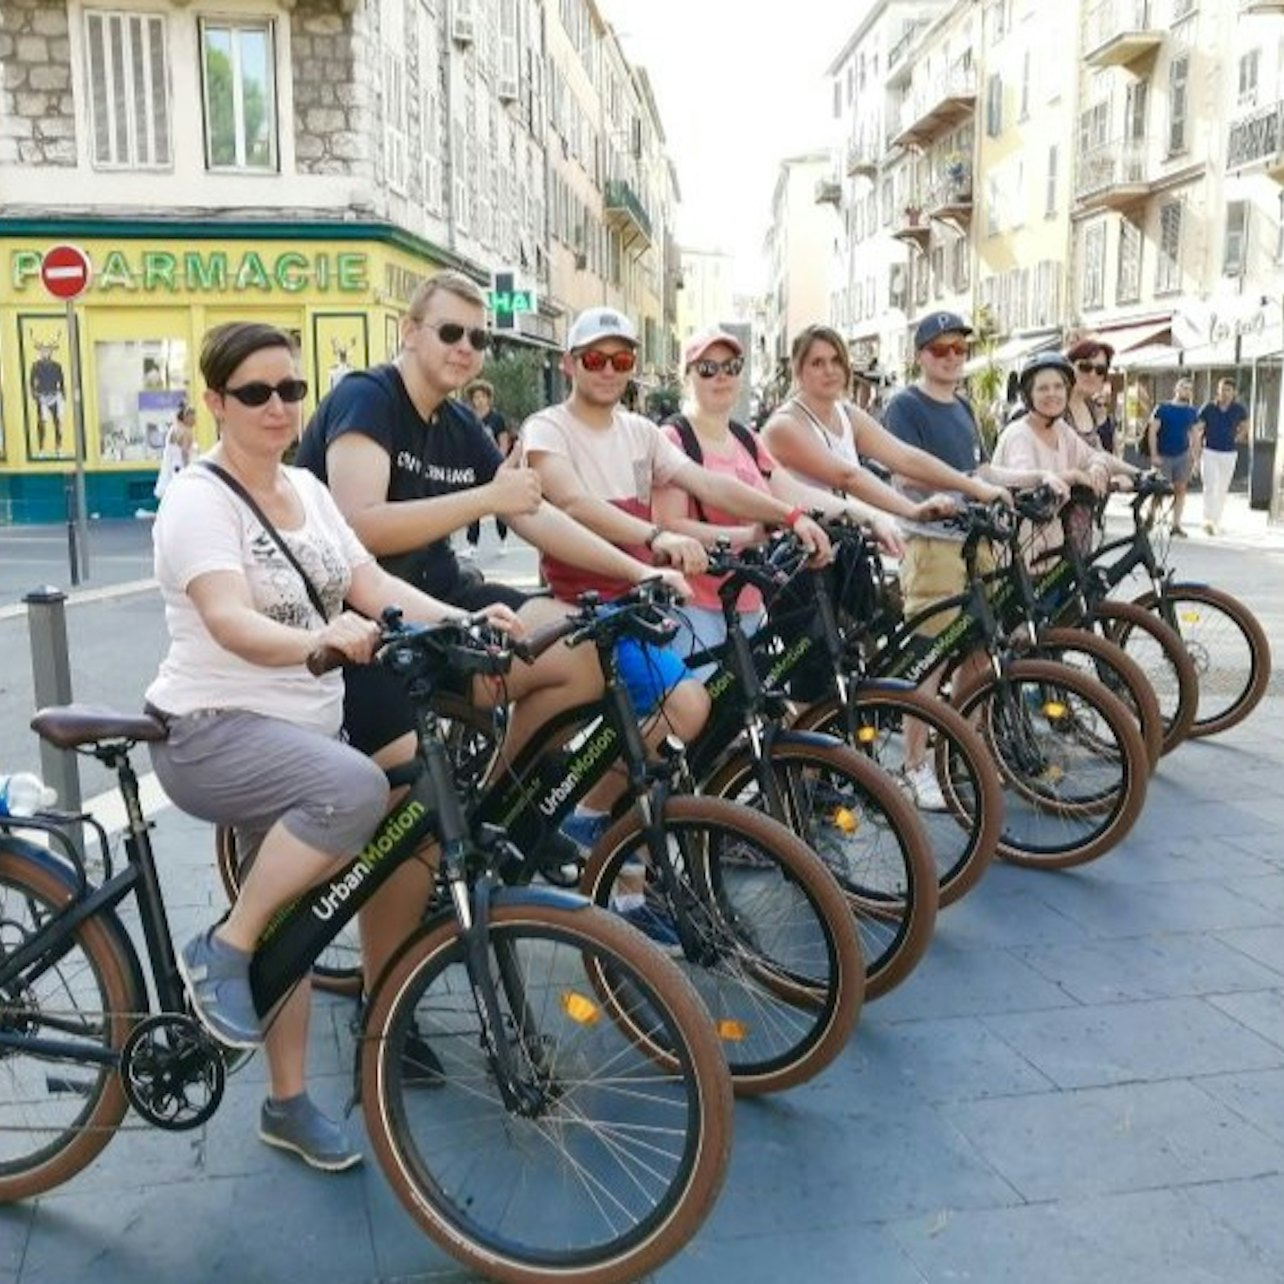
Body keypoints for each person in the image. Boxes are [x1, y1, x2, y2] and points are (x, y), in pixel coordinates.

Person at [145, 322, 506, 1171]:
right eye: (255, 393)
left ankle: (287, 1100)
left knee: (310, 904)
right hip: (211, 730)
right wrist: (319, 644)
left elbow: (372, 583)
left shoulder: (308, 487)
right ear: (216, 404)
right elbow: (229, 618)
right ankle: (224, 950)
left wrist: (466, 623)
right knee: (352, 791)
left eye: (291, 390)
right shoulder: (199, 499)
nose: (279, 407)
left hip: (300, 732)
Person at [295, 272, 683, 964]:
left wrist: (638, 566)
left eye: (477, 337)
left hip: (439, 602)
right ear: (409, 334)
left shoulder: (457, 424)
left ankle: (495, 810)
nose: (466, 347)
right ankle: (383, 995)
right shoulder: (368, 398)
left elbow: (531, 512)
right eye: (449, 332)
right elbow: (360, 527)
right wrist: (481, 499)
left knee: (579, 651)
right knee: (413, 801)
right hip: (353, 625)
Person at [522, 307, 830, 856]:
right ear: (570, 364)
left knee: (685, 709)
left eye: (622, 359)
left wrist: (789, 516)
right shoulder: (547, 426)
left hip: (633, 606)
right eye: (596, 358)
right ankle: (586, 819)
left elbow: (709, 485)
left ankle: (594, 821)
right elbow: (571, 501)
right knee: (674, 707)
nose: (609, 369)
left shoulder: (640, 432)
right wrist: (655, 538)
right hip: (579, 604)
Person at [652, 328, 903, 679]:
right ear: (687, 376)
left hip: (748, 603)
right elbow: (669, 527)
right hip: (697, 607)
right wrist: (748, 536)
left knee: (744, 718)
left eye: (731, 367)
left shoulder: (746, 439)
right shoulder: (674, 439)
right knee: (702, 719)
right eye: (707, 368)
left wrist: (866, 516)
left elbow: (793, 493)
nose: (721, 376)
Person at [992, 352, 1138, 559]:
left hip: (1052, 550)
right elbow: (1028, 486)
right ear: (1028, 395)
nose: (1052, 393)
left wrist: (1104, 468)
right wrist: (1075, 476)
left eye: (1059, 387)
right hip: (1019, 557)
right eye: (1043, 388)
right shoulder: (1019, 434)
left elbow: (1094, 455)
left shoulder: (1060, 429)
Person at [462, 378, 511, 559]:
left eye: (482, 396)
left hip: (493, 466)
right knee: (472, 505)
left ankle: (503, 540)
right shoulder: (468, 417)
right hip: (473, 466)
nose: (479, 400)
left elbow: (503, 441)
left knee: (499, 505)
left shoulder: (496, 419)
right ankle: (472, 544)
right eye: (475, 397)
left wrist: (501, 462)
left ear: (488, 398)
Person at [1147, 376, 1201, 537]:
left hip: (1182, 455)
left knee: (1181, 490)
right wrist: (1154, 454)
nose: (1187, 391)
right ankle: (1150, 517)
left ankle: (1176, 524)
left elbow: (1195, 435)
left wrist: (1195, 458)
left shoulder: (1191, 412)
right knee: (1159, 490)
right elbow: (1152, 432)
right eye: (1184, 387)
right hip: (1163, 455)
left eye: (1190, 388)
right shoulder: (1162, 408)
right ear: (1176, 389)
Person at [1195, 377, 1249, 536]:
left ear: (1234, 392)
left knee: (1222, 488)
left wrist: (1238, 437)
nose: (1224, 393)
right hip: (1210, 451)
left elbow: (1245, 425)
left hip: (1229, 453)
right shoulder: (1209, 408)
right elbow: (1198, 428)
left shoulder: (1239, 409)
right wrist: (1196, 451)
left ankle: (1216, 521)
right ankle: (1207, 521)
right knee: (1209, 486)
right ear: (1217, 391)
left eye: (1228, 390)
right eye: (1221, 389)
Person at [1063, 339, 1118, 454]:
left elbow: (1104, 456)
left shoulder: (1092, 408)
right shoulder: (1056, 406)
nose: (1092, 374)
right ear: (1069, 367)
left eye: (1100, 370)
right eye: (1085, 367)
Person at [153, 401, 197, 502]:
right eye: (193, 416)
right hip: (181, 468)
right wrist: (188, 471)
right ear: (186, 417)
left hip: (172, 467)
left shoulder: (174, 429)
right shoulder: (186, 432)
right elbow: (185, 453)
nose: (195, 420)